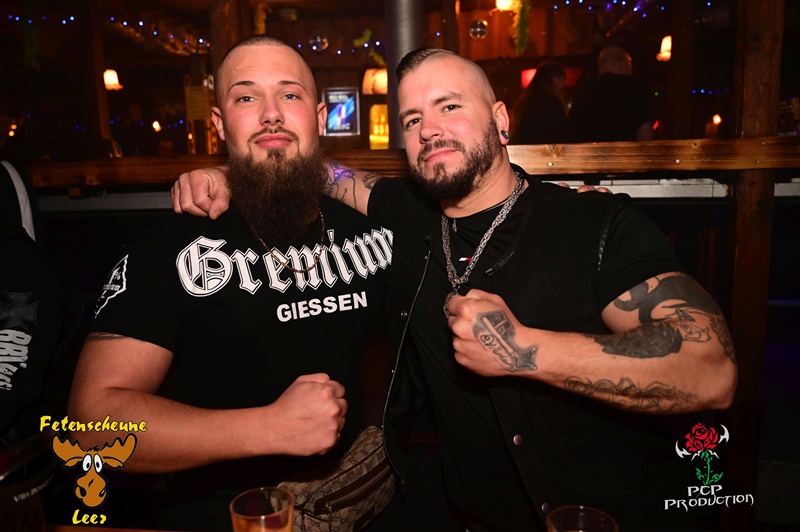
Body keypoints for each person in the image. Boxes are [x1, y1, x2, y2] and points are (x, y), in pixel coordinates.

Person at [172, 48, 737, 530]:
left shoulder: (596, 224)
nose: (429, 129)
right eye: (412, 118)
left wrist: (524, 351)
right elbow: (327, 175)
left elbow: (711, 370)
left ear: (501, 119)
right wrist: (235, 169)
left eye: (449, 106)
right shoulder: (410, 216)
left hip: (612, 519)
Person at [67, 36, 389, 531]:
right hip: (220, 511)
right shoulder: (173, 245)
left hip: (356, 501)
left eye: (290, 95)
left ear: (320, 117)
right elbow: (90, 427)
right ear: (219, 124)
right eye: (246, 97)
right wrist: (267, 428)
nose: (271, 114)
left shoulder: (371, 231)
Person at [568, 44, 655, 142]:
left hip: (587, 151)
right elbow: (645, 135)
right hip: (623, 151)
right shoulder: (637, 88)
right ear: (625, 62)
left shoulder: (582, 91)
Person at [507, 61, 568, 144]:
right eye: (562, 78)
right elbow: (561, 132)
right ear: (554, 79)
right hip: (544, 149)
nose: (563, 83)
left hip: (523, 147)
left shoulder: (526, 101)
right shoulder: (551, 103)